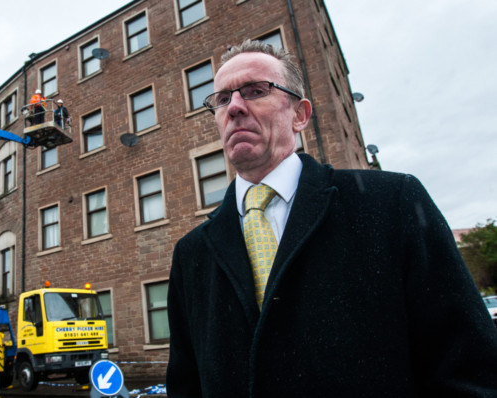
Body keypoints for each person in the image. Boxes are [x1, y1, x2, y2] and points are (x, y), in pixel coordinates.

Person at [166, 39, 497, 397]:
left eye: (255, 90)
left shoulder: (392, 203)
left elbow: (469, 369)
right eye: (221, 99)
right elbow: (187, 384)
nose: (234, 107)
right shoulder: (192, 253)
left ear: (300, 114)